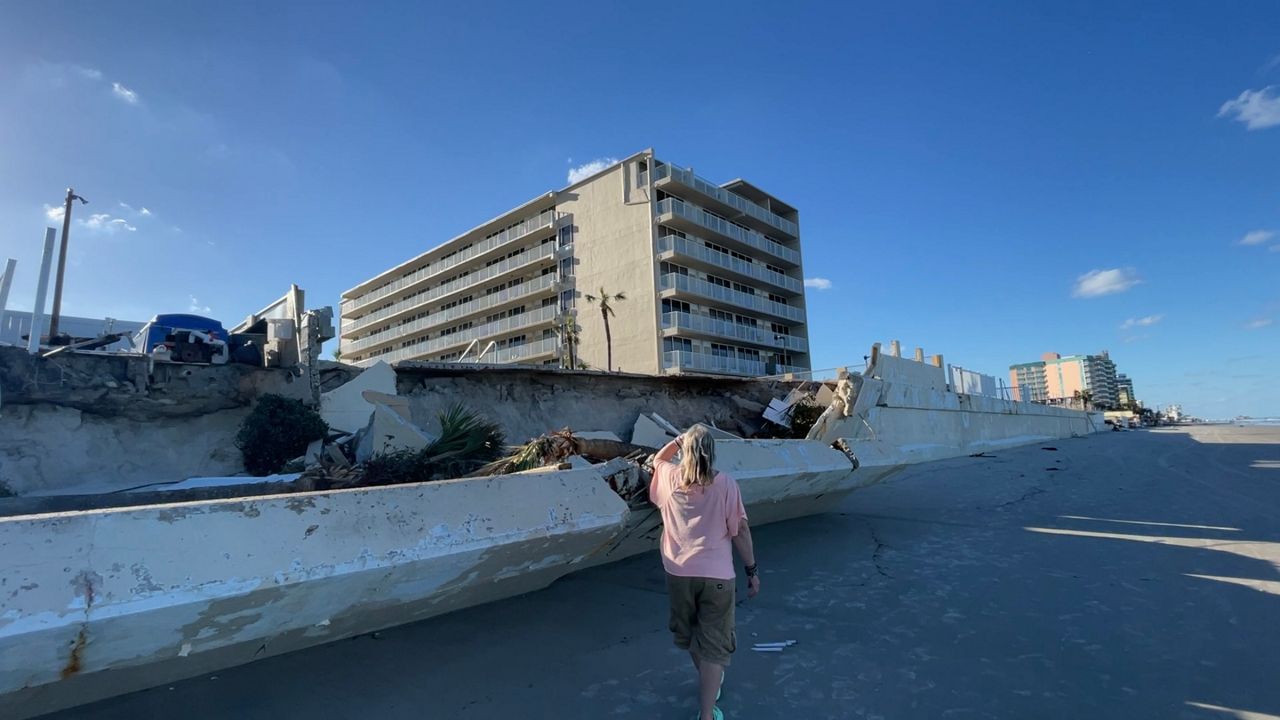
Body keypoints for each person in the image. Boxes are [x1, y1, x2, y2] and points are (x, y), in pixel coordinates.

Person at [650, 425, 760, 720]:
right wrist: (752, 571)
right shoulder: (726, 484)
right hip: (718, 577)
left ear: (686, 451)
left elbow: (657, 460)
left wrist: (677, 440)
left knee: (690, 636)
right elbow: (741, 531)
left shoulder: (670, 478)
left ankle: (711, 683)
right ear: (712, 453)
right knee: (714, 646)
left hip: (678, 574)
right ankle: (707, 714)